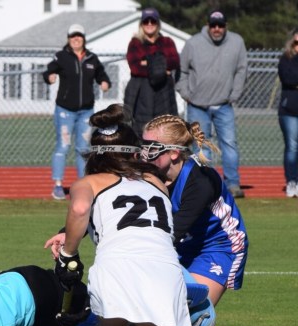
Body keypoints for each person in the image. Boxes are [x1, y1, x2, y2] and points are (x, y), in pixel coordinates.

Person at [43, 104, 191, 326]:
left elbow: (81, 209)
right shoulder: (157, 182)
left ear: (94, 153)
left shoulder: (89, 183)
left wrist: (69, 253)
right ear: (135, 151)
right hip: (164, 270)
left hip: (117, 268)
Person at [140, 114, 278, 326]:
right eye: (143, 145)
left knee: (187, 318)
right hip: (188, 245)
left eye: (152, 148)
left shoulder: (200, 180)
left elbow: (174, 230)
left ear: (173, 153)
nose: (144, 153)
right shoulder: (151, 173)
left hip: (221, 247)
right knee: (154, 308)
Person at [177, 11, 247, 199]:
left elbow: (241, 70)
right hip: (197, 106)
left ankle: (232, 184)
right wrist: (186, 94)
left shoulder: (237, 42)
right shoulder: (193, 43)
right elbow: (182, 71)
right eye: (213, 25)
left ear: (226, 26)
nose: (217, 29)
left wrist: (235, 94)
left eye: (220, 25)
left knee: (229, 144)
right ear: (208, 25)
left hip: (224, 105)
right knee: (201, 146)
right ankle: (204, 184)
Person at [43, 24, 110, 201]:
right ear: (68, 38)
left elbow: (101, 74)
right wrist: (50, 76)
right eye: (73, 36)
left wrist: (105, 82)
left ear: (84, 38)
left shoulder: (92, 58)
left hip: (86, 112)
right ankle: (58, 185)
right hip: (65, 110)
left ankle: (83, 184)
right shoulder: (61, 56)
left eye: (79, 36)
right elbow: (49, 70)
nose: (76, 39)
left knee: (84, 148)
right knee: (63, 146)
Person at [123, 8, 179, 136]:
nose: (149, 24)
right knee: (142, 131)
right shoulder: (135, 43)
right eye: (146, 21)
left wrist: (147, 62)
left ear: (158, 24)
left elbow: (174, 61)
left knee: (164, 131)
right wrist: (161, 65)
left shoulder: (167, 42)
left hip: (164, 92)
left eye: (153, 21)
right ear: (141, 24)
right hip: (142, 93)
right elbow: (135, 67)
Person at [278, 28, 298, 198]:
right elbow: (288, 78)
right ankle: (292, 181)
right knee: (292, 146)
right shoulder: (286, 59)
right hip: (289, 110)